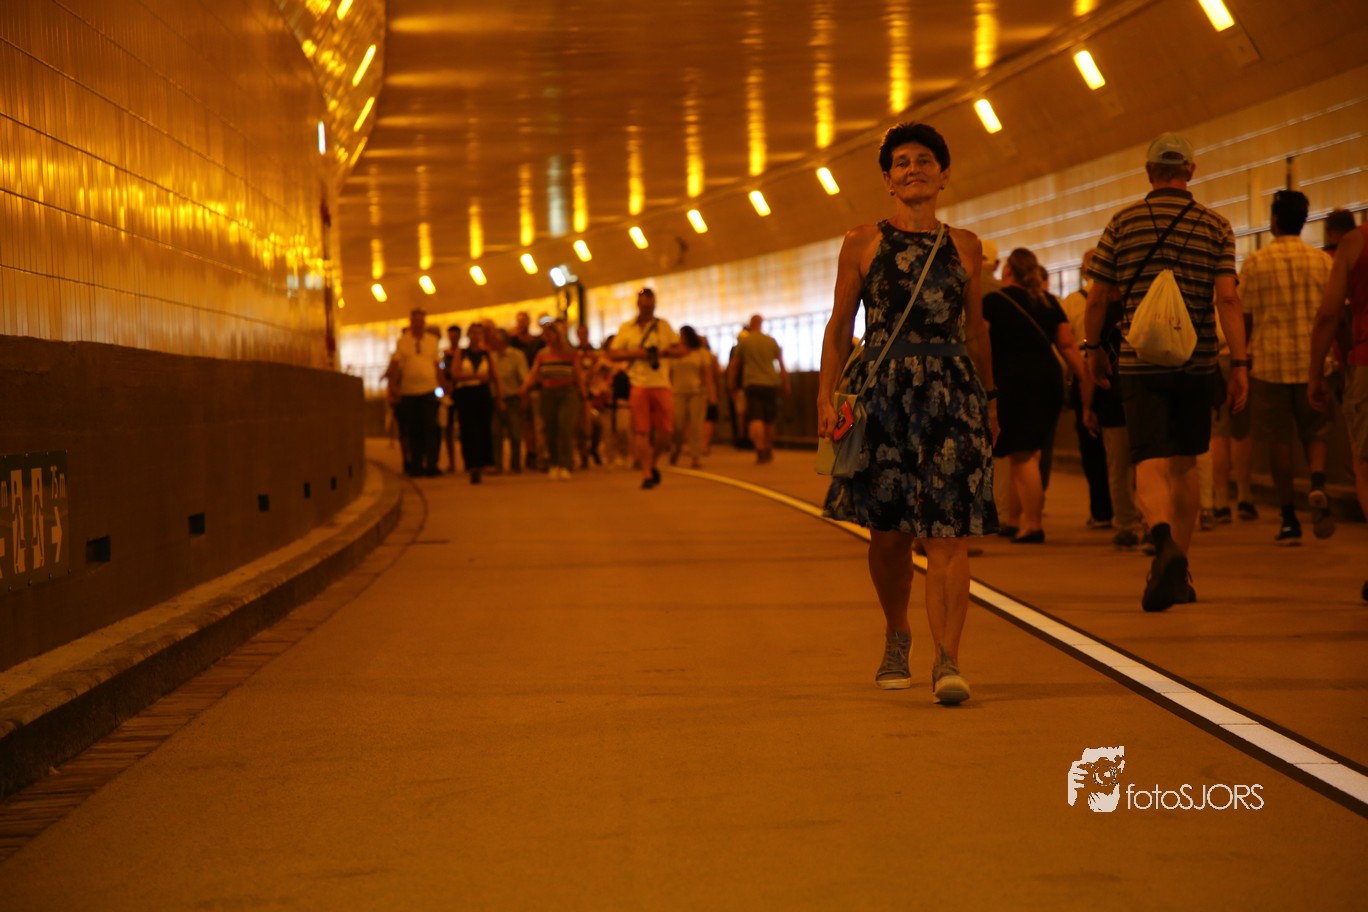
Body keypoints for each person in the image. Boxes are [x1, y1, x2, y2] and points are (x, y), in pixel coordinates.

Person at [818, 122, 998, 705]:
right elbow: (840, 326)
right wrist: (826, 397)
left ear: (944, 175)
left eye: (925, 160)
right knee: (889, 534)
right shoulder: (862, 242)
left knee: (949, 533)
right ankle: (898, 633)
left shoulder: (966, 246)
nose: (913, 169)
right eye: (902, 162)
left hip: (951, 394)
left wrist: (990, 399)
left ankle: (948, 658)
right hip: (882, 395)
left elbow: (976, 331)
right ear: (888, 180)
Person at [1083, 133, 1249, 612]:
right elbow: (1228, 298)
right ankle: (1181, 570)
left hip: (1141, 363)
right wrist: (1239, 364)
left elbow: (1098, 298)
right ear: (1190, 171)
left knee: (1149, 461)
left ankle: (1162, 543)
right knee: (1185, 465)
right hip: (1197, 363)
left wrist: (1093, 350)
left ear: (1149, 172)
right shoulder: (1216, 226)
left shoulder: (1123, 223)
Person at [1242, 190, 1335, 543]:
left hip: (1269, 365)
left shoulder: (1255, 263)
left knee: (1278, 440)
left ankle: (1288, 519)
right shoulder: (1322, 262)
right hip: (1315, 364)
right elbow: (1334, 314)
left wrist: (1241, 358)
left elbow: (1245, 317)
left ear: (1275, 221)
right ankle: (1317, 483)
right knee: (1317, 431)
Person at [983, 248, 1086, 543]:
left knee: (1022, 455)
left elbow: (983, 343)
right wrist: (1086, 378)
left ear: (1007, 271)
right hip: (1049, 380)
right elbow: (1067, 345)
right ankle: (1014, 521)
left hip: (1015, 381)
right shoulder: (1048, 301)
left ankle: (1033, 524)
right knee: (1028, 451)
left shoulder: (993, 301)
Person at [1308, 212, 1368, 601]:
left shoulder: (1355, 242)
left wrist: (1315, 373)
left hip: (1366, 361)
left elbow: (1330, 313)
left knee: (1365, 465)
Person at [608, 288, 684, 489]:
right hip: (638, 384)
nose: (647, 309)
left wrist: (664, 352)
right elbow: (613, 354)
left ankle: (652, 461)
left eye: (650, 305)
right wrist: (637, 353)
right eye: (644, 305)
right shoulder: (627, 328)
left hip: (661, 383)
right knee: (641, 430)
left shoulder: (663, 326)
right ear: (638, 305)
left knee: (665, 431)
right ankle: (647, 473)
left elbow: (680, 349)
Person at [1060, 250, 1114, 529]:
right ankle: (1129, 509)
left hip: (1085, 372)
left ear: (1084, 272)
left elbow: (1065, 342)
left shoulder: (1072, 302)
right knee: (1121, 450)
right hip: (1118, 372)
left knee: (1091, 448)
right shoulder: (1121, 298)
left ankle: (1102, 511)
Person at [519, 321, 587, 480]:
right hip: (548, 393)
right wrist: (524, 387)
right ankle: (554, 463)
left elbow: (578, 374)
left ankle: (566, 464)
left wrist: (584, 394)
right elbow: (534, 372)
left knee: (565, 428)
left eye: (551, 334)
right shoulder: (542, 354)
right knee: (550, 429)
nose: (548, 337)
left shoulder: (570, 353)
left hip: (567, 393)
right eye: (546, 335)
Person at [386, 308, 443, 478]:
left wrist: (443, 383)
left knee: (431, 427)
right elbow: (396, 365)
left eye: (421, 321)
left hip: (429, 390)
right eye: (415, 321)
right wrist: (393, 386)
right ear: (411, 323)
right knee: (414, 430)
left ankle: (432, 463)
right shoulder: (403, 342)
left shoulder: (432, 341)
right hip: (409, 392)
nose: (418, 324)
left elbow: (436, 364)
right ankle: (416, 464)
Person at [729, 314, 791, 463]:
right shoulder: (771, 341)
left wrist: (731, 383)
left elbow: (735, 365)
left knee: (756, 418)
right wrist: (786, 383)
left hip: (752, 384)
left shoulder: (744, 342)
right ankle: (768, 447)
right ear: (761, 324)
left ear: (750, 324)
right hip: (771, 383)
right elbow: (781, 364)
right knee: (769, 419)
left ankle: (760, 449)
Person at [452, 322, 500, 484]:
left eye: (479, 333)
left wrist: (499, 396)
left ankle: (485, 462)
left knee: (484, 428)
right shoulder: (461, 353)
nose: (476, 336)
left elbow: (494, 375)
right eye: (473, 333)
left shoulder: (486, 353)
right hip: (466, 394)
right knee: (468, 429)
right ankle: (472, 463)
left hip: (482, 393)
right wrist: (476, 377)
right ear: (468, 335)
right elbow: (455, 374)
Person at [670, 325, 717, 468]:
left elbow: (707, 375)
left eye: (683, 335)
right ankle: (676, 448)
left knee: (696, 425)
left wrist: (711, 393)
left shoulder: (701, 353)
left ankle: (696, 456)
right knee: (678, 424)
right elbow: (669, 374)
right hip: (677, 393)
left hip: (697, 393)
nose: (681, 338)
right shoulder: (673, 353)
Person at [488, 329, 529, 473]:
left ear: (502, 341)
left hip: (513, 399)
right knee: (495, 433)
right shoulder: (491, 356)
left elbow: (524, 377)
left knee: (515, 434)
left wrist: (523, 397)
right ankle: (497, 464)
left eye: (494, 339)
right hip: (495, 399)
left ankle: (515, 464)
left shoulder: (516, 355)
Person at [509, 312, 545, 469]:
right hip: (519, 386)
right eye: (519, 321)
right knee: (525, 422)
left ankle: (539, 453)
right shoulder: (512, 342)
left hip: (535, 385)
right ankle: (530, 451)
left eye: (524, 321)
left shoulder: (537, 342)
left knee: (537, 421)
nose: (521, 324)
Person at [440, 325, 464, 473]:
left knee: (464, 427)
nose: (453, 338)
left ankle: (466, 460)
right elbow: (442, 371)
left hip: (462, 391)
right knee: (448, 428)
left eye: (455, 336)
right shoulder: (445, 354)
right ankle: (452, 462)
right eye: (451, 336)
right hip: (449, 392)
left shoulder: (463, 353)